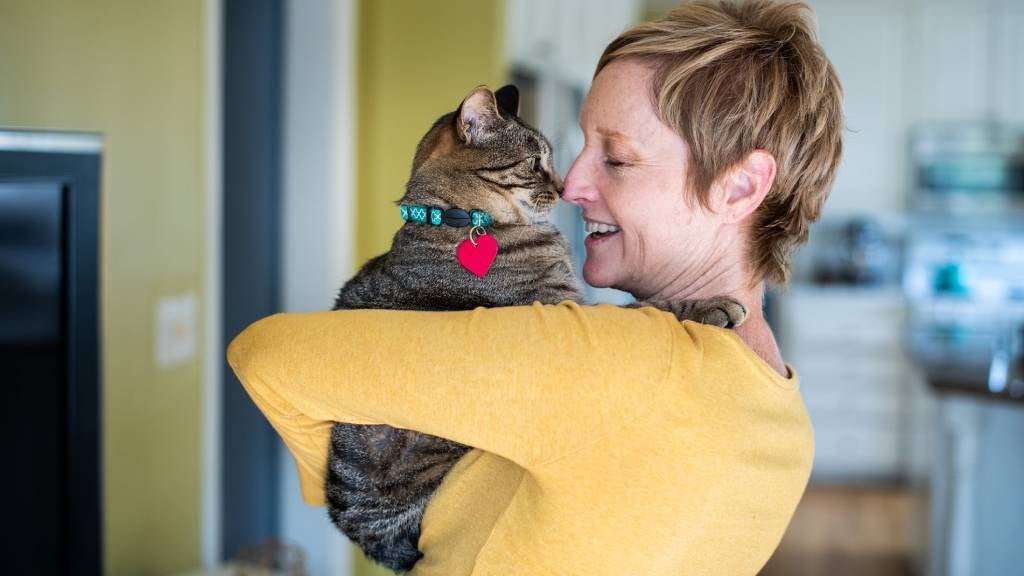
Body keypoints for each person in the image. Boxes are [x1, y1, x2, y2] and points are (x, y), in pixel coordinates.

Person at [227, 0, 843, 574]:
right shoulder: (787, 429)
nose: (571, 186)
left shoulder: (604, 361)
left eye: (617, 159)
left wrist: (339, 481)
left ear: (738, 186)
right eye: (581, 149)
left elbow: (266, 357)